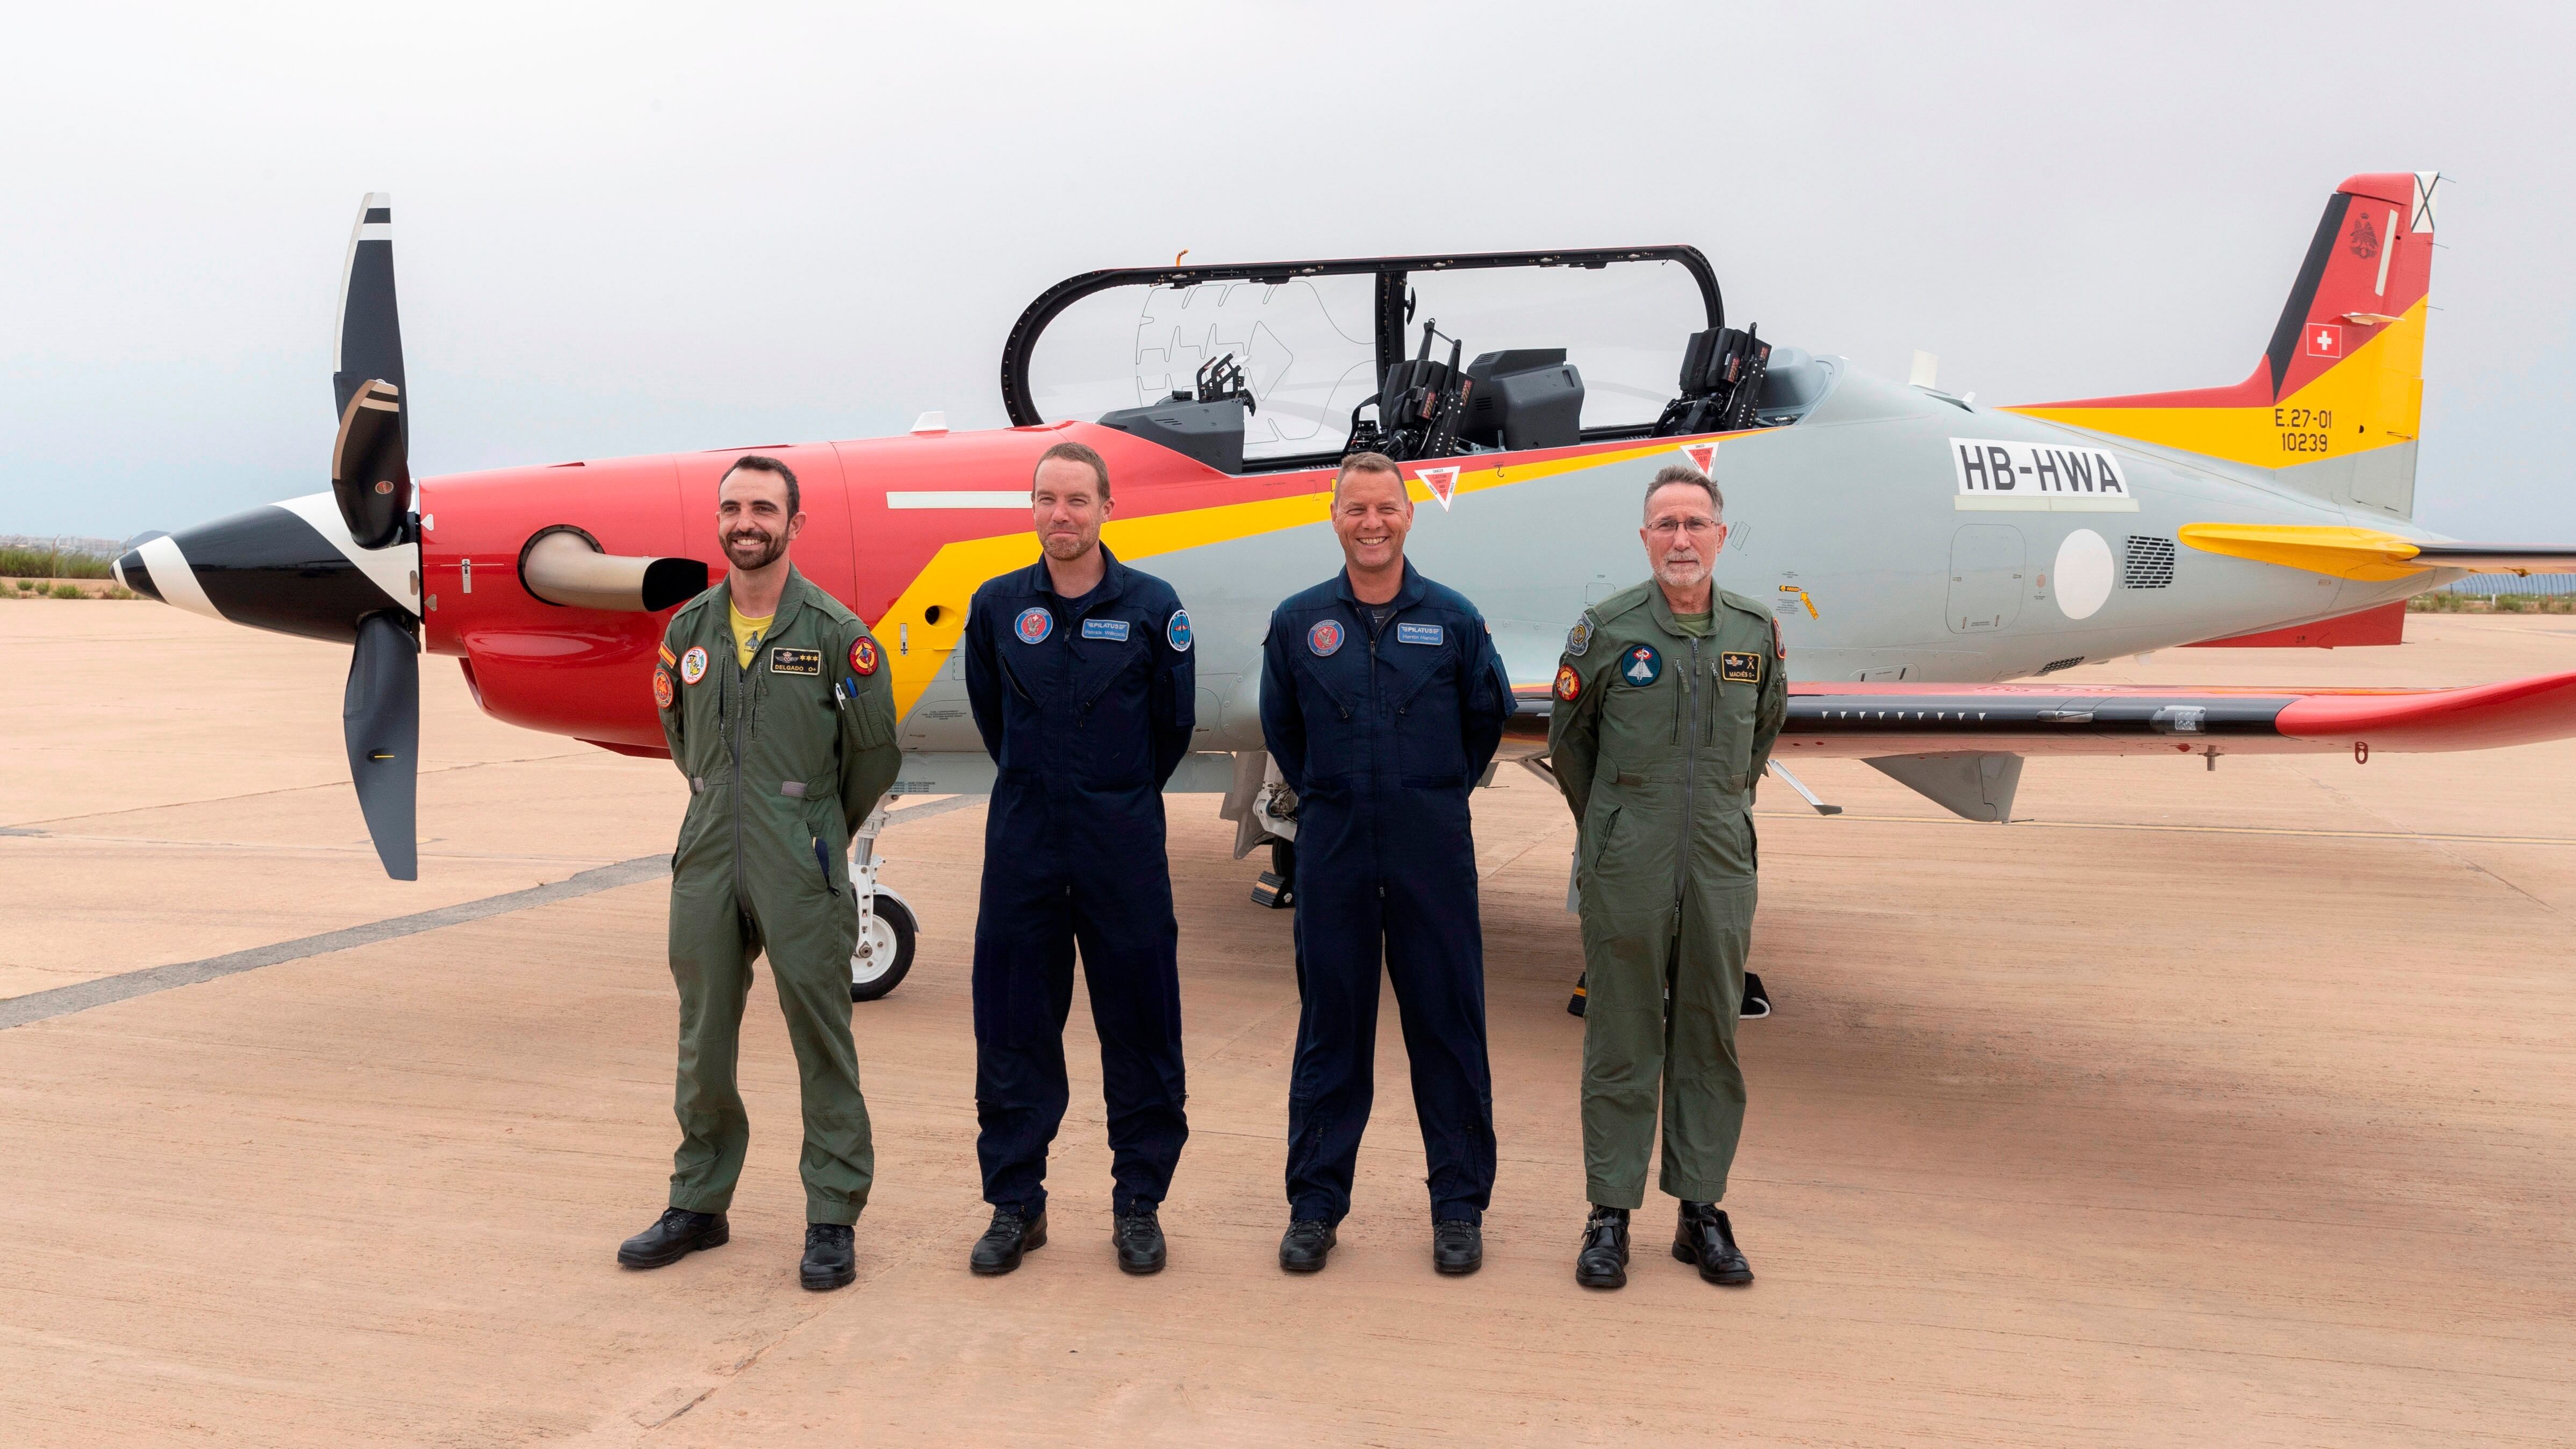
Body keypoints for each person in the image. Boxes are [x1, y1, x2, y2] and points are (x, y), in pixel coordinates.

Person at [620, 454, 900, 1292]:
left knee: (820, 1036)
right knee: (702, 1035)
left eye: (764, 509)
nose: (746, 523)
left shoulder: (835, 633)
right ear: (719, 521)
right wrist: (725, 804)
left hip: (799, 851)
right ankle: (698, 1202)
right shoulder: (689, 631)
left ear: (794, 524)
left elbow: (873, 754)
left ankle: (832, 1216)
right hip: (709, 845)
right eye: (733, 508)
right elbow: (680, 736)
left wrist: (814, 827)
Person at [1258, 450, 1513, 1275]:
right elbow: (1282, 729)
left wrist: (1426, 795)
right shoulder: (1298, 622)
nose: (1371, 524)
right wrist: (1334, 796)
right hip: (1332, 849)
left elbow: (1483, 723)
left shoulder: (1454, 619)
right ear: (1334, 518)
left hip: (1428, 850)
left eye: (1385, 509)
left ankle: (1458, 1209)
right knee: (1330, 1032)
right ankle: (1314, 1208)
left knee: (1447, 1028)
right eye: (1356, 509)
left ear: (1408, 515)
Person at [1546, 462, 1785, 1290]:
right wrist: (1618, 825)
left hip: (1719, 859)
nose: (1680, 539)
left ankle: (1700, 1211)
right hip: (1628, 859)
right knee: (1621, 1033)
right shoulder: (1606, 631)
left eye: (1694, 523)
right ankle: (1609, 1212)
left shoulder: (1753, 632)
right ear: (1644, 538)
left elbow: (1760, 738)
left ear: (1719, 535)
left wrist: (1714, 811)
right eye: (1665, 525)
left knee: (1710, 1033)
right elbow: (1570, 745)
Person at [960, 440, 1196, 1277]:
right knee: (1012, 1028)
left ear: (1105, 508)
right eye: (1046, 499)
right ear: (1032, 508)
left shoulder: (1152, 607)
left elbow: (1171, 727)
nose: (1060, 515)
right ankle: (1015, 1205)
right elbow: (993, 719)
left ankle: (1139, 1204)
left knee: (1140, 1027)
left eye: (1076, 500)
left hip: (1120, 848)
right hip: (1023, 845)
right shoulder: (996, 607)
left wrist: (1112, 796)